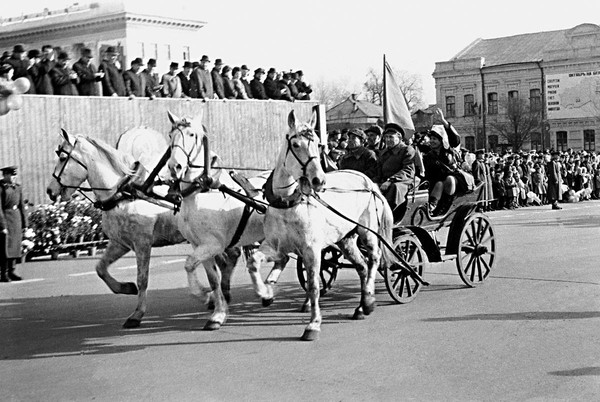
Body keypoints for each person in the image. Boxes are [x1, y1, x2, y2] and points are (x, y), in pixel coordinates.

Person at [422, 108, 465, 215]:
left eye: (435, 139)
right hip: (434, 182)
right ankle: (432, 205)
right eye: (431, 139)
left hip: (453, 181)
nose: (432, 141)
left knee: (447, 180)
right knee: (438, 184)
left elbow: (455, 139)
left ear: (441, 141)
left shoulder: (449, 151)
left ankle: (445, 206)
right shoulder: (428, 153)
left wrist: (443, 121)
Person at [372, 123, 416, 220]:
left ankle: (388, 216)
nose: (388, 140)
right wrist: (373, 182)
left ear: (399, 137)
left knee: (394, 188)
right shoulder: (383, 152)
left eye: (391, 137)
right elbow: (378, 170)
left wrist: (391, 180)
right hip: (385, 181)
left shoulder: (407, 150)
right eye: (386, 137)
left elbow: (408, 170)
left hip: (403, 181)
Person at [0, 166, 27, 282]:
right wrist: (2, 225)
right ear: (4, 175)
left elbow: (22, 206)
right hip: (5, 218)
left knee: (15, 247)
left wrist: (25, 224)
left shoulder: (18, 188)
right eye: (11, 175)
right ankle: (4, 273)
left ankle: (12, 270)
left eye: (15, 175)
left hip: (16, 220)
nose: (13, 177)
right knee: (5, 248)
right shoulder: (1, 188)